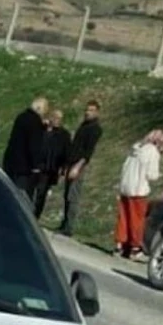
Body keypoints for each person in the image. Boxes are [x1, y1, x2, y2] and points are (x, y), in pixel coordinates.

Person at [116, 129, 163, 260]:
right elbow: (151, 175)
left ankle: (120, 245)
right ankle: (135, 249)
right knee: (137, 220)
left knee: (123, 218)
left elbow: (125, 166)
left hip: (125, 186)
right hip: (139, 189)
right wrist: (159, 175)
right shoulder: (152, 152)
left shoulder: (136, 148)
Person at [58, 100, 103, 237]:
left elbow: (88, 152)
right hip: (71, 162)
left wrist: (77, 167)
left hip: (79, 164)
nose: (87, 112)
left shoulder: (95, 129)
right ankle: (64, 222)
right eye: (87, 110)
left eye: (91, 110)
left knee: (73, 196)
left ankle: (69, 227)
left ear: (96, 112)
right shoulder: (84, 125)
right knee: (67, 195)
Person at [2, 97, 49, 205]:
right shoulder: (35, 122)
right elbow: (33, 145)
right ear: (40, 109)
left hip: (11, 162)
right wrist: (36, 166)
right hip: (24, 167)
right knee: (22, 198)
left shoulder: (21, 117)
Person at [31, 109, 71, 220]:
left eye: (60, 118)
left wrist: (63, 168)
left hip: (50, 168)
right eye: (55, 117)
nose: (58, 120)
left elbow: (67, 152)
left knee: (41, 192)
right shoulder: (42, 130)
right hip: (36, 165)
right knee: (30, 190)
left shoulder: (64, 135)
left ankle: (35, 216)